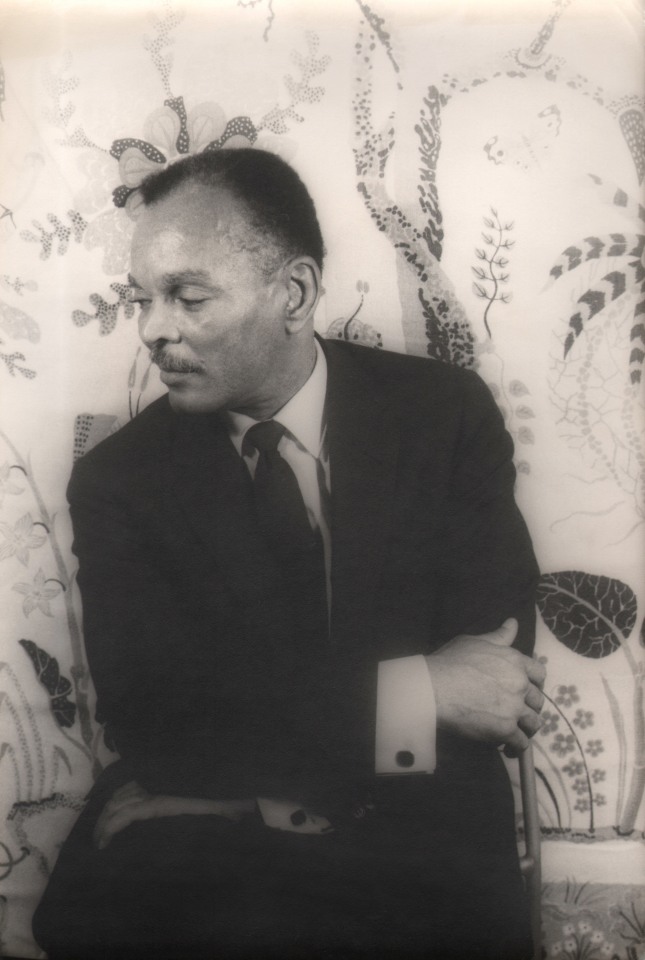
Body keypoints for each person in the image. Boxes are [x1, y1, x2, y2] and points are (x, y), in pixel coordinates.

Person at [33, 148, 544, 960]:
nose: (152, 328)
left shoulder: (441, 417)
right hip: (218, 880)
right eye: (144, 298)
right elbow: (158, 719)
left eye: (187, 297)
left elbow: (493, 681)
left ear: (294, 293)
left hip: (422, 856)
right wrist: (419, 689)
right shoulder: (118, 481)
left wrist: (236, 792)